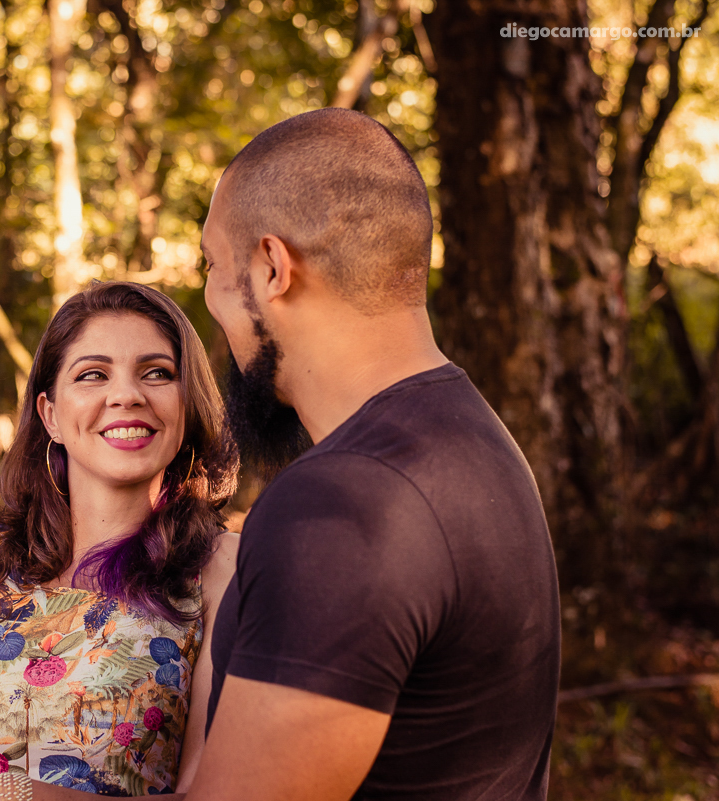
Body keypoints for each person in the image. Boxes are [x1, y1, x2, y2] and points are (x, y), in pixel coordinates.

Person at [184, 108, 561, 800]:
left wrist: (22, 793)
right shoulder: (479, 441)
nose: (210, 297)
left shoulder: (341, 505)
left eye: (213, 264)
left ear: (272, 266)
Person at [0, 281, 240, 801]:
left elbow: (211, 796)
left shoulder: (222, 570)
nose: (127, 394)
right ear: (50, 415)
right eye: (93, 374)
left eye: (157, 373)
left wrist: (22, 795)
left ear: (186, 404)